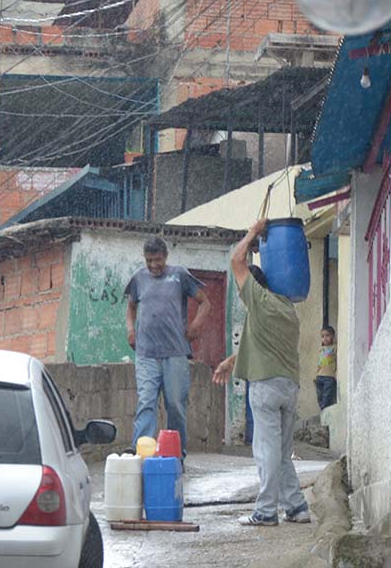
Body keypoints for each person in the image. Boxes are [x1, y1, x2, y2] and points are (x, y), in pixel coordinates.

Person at [213, 220, 310, 526]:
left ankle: (266, 511)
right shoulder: (285, 308)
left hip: (266, 388)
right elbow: (262, 343)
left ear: (251, 288)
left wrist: (253, 231)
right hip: (289, 386)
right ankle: (297, 507)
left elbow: (236, 261)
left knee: (267, 452)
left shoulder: (257, 300)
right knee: (282, 453)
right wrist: (231, 360)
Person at [125, 236, 211, 456]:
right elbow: (131, 307)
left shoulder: (179, 275)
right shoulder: (138, 279)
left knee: (175, 405)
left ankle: (175, 453)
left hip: (175, 353)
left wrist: (196, 326)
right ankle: (140, 452)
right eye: (149, 260)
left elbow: (205, 303)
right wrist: (131, 330)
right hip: (146, 353)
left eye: (158, 260)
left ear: (166, 257)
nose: (154, 265)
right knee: (146, 403)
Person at [315, 326, 337, 410]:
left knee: (327, 395)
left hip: (329, 376)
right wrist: (315, 375)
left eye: (327, 335)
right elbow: (319, 363)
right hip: (319, 376)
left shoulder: (335, 347)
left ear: (333, 336)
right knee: (319, 395)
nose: (325, 338)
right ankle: (322, 408)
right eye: (323, 336)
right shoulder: (321, 349)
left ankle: (324, 409)